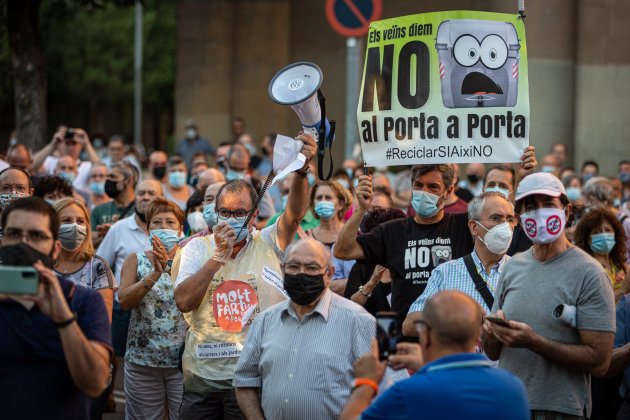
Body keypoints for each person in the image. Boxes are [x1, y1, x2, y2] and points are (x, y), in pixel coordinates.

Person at [174, 133, 316, 418]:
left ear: (253, 215)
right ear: (214, 214)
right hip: (204, 381)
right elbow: (183, 301)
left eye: (239, 212)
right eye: (224, 211)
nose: (230, 218)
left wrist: (301, 172)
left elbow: (294, 215)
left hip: (253, 378)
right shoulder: (196, 250)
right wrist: (217, 259)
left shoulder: (269, 241)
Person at [482, 172, 616, 419]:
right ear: (520, 218)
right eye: (531, 207)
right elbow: (493, 352)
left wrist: (535, 342)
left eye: (548, 204)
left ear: (566, 212)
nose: (540, 213)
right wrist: (490, 334)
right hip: (510, 406)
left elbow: (600, 362)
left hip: (561, 409)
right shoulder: (512, 266)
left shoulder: (589, 273)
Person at [233, 238, 375, 419]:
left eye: (312, 268)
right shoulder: (265, 321)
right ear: (283, 270)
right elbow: (245, 382)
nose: (302, 274)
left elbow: (387, 385)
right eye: (293, 267)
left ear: (329, 274)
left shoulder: (358, 321)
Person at [0, 197, 112, 419]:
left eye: (36, 236)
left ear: (54, 249)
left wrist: (64, 317)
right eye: (14, 234)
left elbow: (95, 382)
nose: (24, 244)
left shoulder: (84, 301)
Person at [340, 291, 529, 420]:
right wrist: (427, 367)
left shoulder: (408, 393)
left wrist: (366, 382)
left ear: (426, 334)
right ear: (477, 334)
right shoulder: (514, 388)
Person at [334, 165, 474, 328]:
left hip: (449, 336)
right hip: (404, 339)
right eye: (419, 185)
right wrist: (361, 209)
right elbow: (342, 250)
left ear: (448, 192)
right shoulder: (392, 231)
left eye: (433, 187)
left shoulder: (463, 226)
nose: (424, 192)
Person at [403, 192, 516, 336]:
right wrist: (459, 318)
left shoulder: (522, 272)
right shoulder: (446, 273)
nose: (506, 226)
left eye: (510, 219)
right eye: (496, 218)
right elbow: (409, 325)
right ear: (474, 227)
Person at [96, 179, 163, 411]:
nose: (145, 197)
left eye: (151, 193)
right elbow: (102, 261)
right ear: (134, 198)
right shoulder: (119, 229)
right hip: (122, 304)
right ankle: (107, 396)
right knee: (113, 352)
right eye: (141, 193)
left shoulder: (170, 229)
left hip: (158, 309)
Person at [118, 197, 187, 419]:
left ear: (180, 230)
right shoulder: (135, 260)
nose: (163, 227)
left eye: (170, 222)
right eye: (157, 223)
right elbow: (124, 301)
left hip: (182, 362)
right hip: (142, 361)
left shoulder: (191, 259)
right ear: (148, 230)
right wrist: (155, 274)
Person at [53, 198, 115, 320]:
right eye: (66, 220)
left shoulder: (97, 266)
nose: (75, 226)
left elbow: (104, 318)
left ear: (87, 226)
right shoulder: (41, 264)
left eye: (80, 221)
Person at [343, 208, 407, 315]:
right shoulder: (362, 266)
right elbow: (349, 308)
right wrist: (370, 285)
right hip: (370, 328)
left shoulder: (412, 261)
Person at [575, 208, 629, 301]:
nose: (603, 236)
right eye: (596, 232)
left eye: (607, 230)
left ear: (615, 234)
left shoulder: (617, 263)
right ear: (588, 239)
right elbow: (597, 305)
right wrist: (622, 290)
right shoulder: (587, 269)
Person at [32, 126, 100, 197]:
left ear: (80, 146)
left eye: (74, 143)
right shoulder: (50, 161)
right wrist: (52, 144)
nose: (70, 148)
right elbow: (31, 166)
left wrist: (86, 144)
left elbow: (101, 169)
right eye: (67, 143)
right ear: (59, 145)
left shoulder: (87, 166)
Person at [583, 176, 630, 263]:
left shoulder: (626, 222)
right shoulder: (590, 219)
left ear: (600, 198)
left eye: (588, 199)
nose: (586, 203)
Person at [91, 161, 138, 247]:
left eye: (113, 177)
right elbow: (88, 244)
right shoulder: (98, 210)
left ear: (128, 181)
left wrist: (116, 231)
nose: (108, 180)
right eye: (107, 176)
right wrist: (103, 235)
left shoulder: (141, 211)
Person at [306, 180, 352, 249]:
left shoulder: (352, 233)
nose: (323, 201)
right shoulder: (306, 236)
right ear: (313, 203)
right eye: (319, 198)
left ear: (340, 204)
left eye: (328, 198)